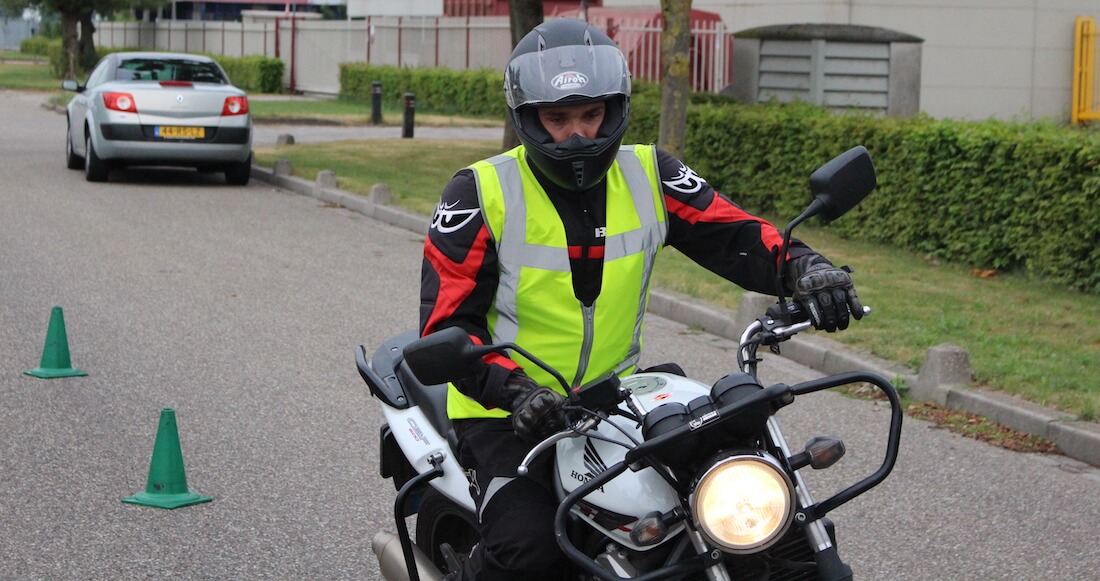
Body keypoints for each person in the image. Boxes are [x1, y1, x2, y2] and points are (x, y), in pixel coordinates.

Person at [418, 18, 862, 581]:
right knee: (530, 551)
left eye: (590, 115)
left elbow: (738, 235)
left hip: (617, 402)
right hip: (507, 416)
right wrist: (515, 391)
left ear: (615, 107)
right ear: (527, 117)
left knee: (765, 506)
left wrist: (808, 268)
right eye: (557, 119)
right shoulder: (478, 191)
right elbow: (445, 324)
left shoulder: (651, 172)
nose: (577, 135)